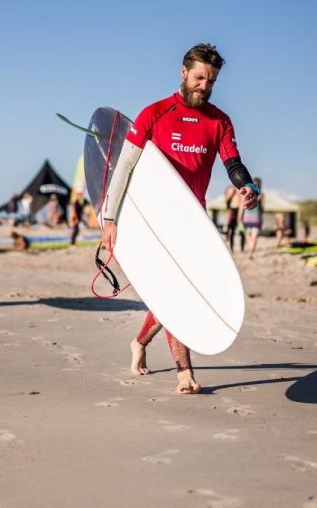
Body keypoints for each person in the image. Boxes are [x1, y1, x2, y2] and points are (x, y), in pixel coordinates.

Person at [99, 44, 260, 395]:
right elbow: (123, 167)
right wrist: (110, 218)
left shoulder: (219, 121)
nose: (205, 86)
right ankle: (183, 372)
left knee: (173, 294)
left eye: (212, 81)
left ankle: (140, 342)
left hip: (192, 222)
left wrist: (246, 185)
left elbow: (233, 163)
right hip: (154, 223)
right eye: (200, 77)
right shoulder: (155, 113)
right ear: (184, 73)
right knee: (177, 294)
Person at [239, 177, 264, 259]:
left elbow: (242, 206)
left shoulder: (248, 192)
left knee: (251, 236)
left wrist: (240, 216)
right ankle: (251, 252)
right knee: (252, 236)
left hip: (250, 217)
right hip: (253, 217)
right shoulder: (262, 195)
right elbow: (262, 209)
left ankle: (251, 252)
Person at [222, 185, 242, 251]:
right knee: (231, 230)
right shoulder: (230, 189)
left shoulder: (239, 189)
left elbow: (241, 202)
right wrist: (232, 193)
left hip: (238, 210)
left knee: (242, 230)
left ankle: (242, 248)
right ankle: (231, 248)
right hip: (232, 210)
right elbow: (226, 199)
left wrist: (240, 214)